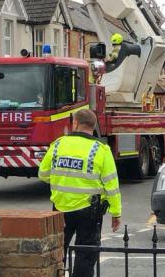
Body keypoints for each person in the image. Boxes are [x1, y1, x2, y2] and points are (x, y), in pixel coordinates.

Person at [38, 109, 121, 277]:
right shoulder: (101, 150)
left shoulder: (58, 145)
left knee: (57, 254)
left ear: (75, 123)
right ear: (93, 126)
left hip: (60, 209)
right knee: (86, 254)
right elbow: (111, 185)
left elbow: (43, 174)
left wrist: (61, 179)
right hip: (89, 210)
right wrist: (116, 213)